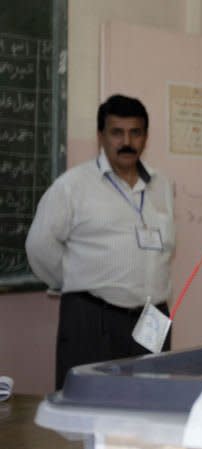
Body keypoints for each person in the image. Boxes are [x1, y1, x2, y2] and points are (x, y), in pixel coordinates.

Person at [26, 94, 174, 389]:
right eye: (117, 132)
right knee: (89, 406)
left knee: (150, 404)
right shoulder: (73, 186)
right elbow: (39, 246)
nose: (127, 141)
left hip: (152, 319)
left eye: (135, 132)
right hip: (92, 319)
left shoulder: (161, 185)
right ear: (101, 136)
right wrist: (73, 283)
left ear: (145, 136)